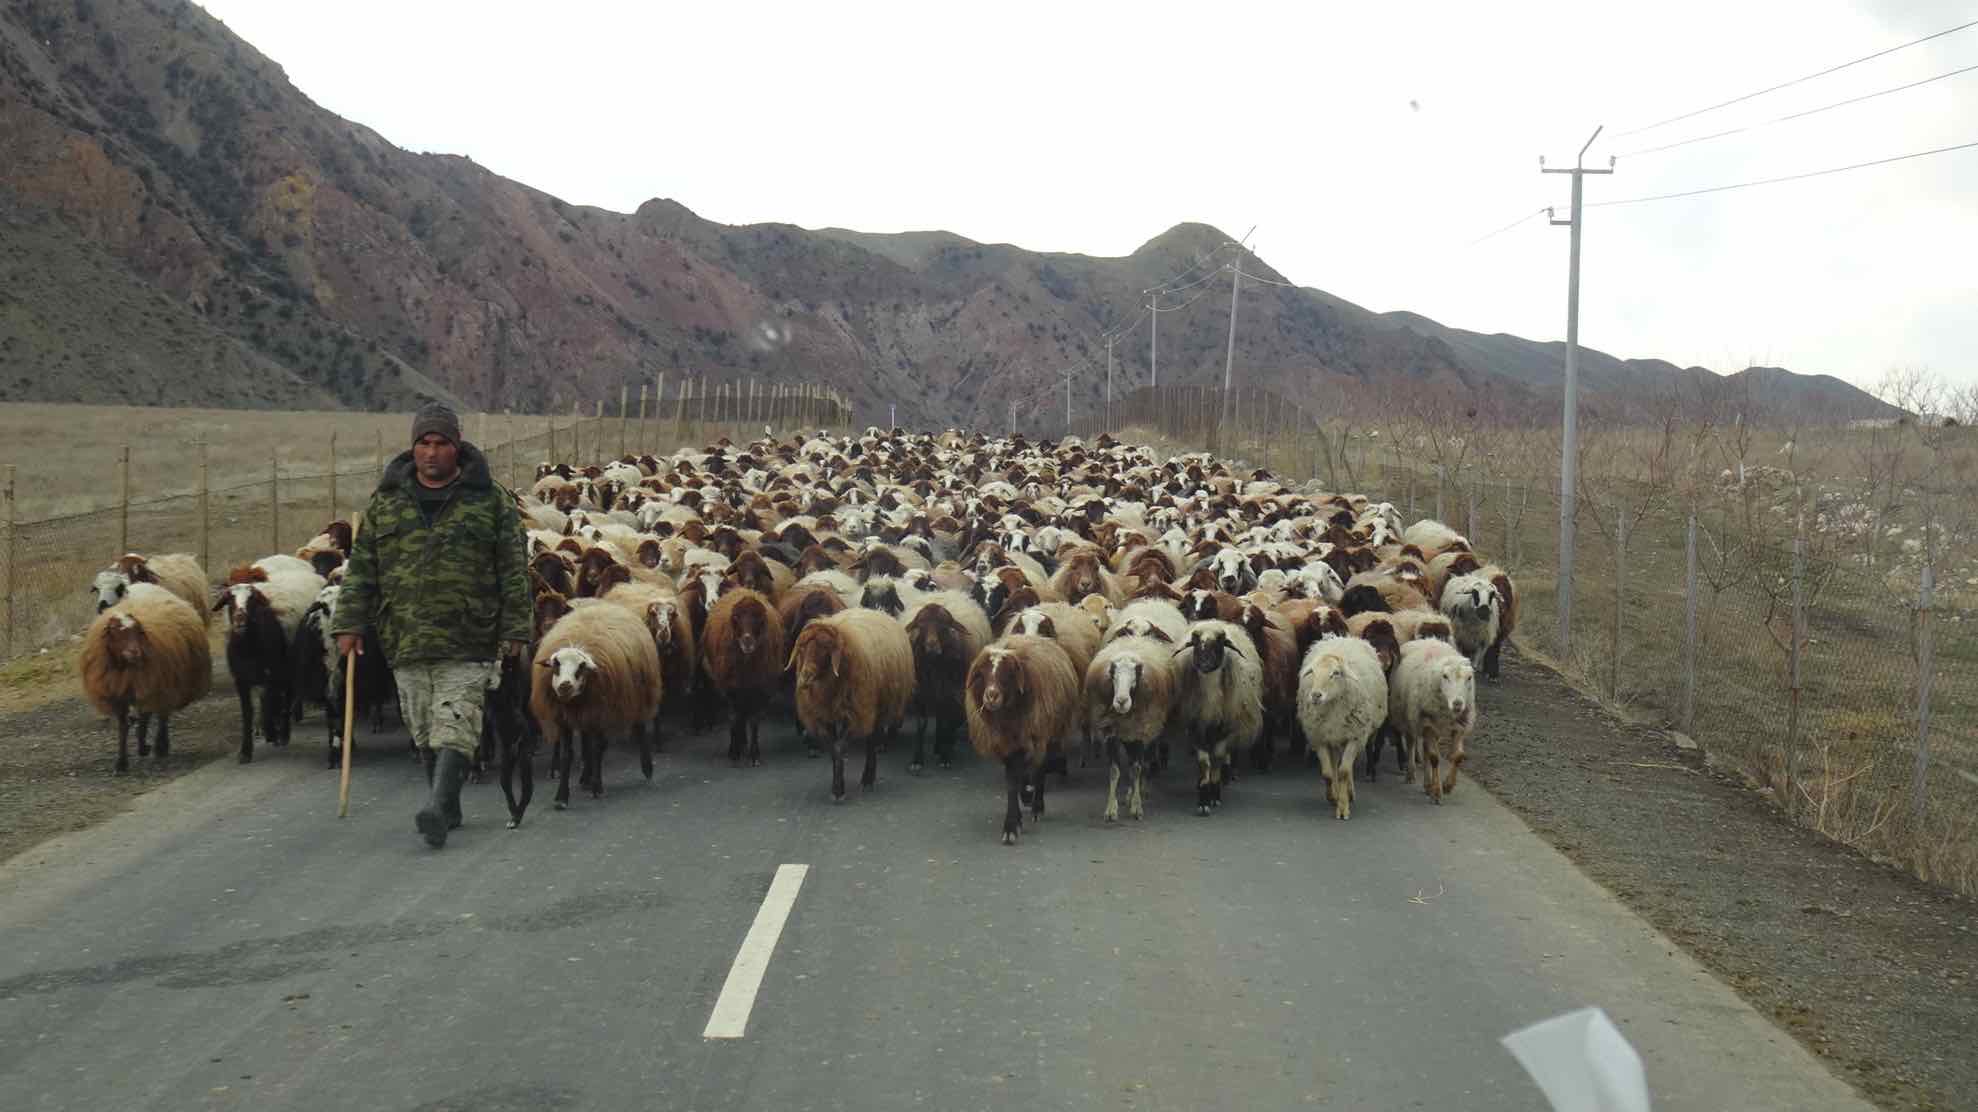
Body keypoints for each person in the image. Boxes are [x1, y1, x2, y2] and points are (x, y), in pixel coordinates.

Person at [331, 401, 531, 848]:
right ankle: (449, 803)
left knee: (455, 720)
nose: (432, 452)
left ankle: (437, 807)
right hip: (405, 634)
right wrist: (349, 622)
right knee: (423, 726)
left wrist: (516, 629)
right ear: (413, 447)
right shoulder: (387, 502)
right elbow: (362, 568)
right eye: (424, 443)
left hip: (471, 633)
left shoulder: (490, 500)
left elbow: (513, 569)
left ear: (457, 447)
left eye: (441, 443)